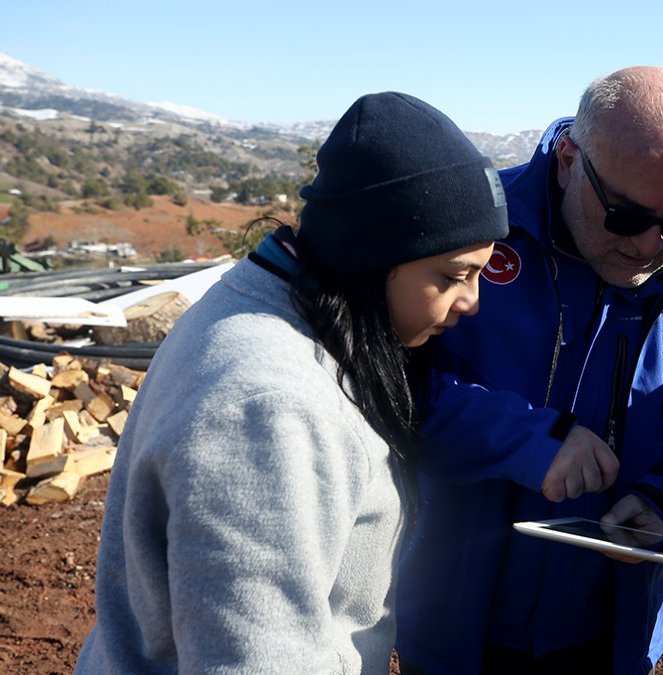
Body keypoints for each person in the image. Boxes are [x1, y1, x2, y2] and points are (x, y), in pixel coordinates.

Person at [74, 92, 508, 673]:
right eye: (455, 275)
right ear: (375, 255)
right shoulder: (270, 408)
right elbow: (254, 658)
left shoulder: (270, 303)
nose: (472, 301)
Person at [393, 66, 663, 674]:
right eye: (625, 216)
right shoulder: (472, 238)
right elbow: (395, 384)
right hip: (456, 626)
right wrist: (530, 440)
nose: (649, 246)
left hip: (614, 638)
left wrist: (659, 497)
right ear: (569, 159)